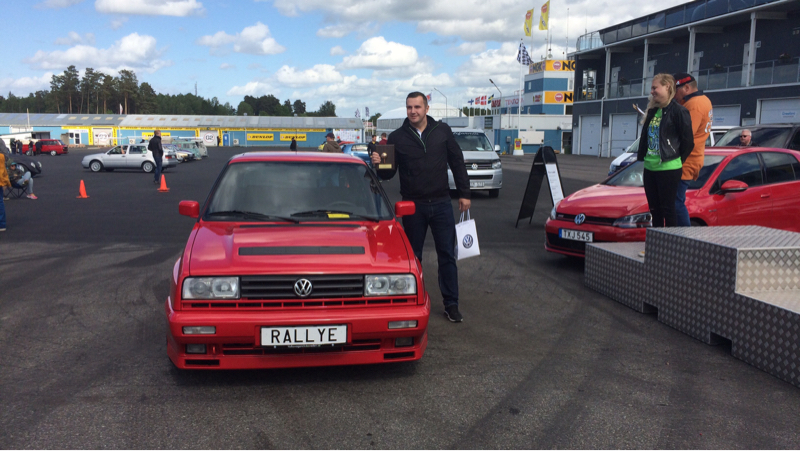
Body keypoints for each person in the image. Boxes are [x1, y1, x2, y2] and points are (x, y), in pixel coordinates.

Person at [371, 91, 471, 323]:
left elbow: (457, 161)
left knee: (447, 255)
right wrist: (379, 164)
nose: (413, 111)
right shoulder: (397, 137)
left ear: (426, 108)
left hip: (441, 203)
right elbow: (388, 174)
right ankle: (410, 301)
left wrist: (464, 193)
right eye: (409, 107)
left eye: (417, 107)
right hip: (413, 206)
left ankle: (451, 304)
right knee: (413, 257)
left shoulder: (442, 131)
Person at [636, 73, 693, 229]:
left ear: (667, 87)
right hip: (650, 168)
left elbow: (688, 142)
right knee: (655, 210)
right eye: (651, 88)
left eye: (655, 88)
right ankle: (657, 241)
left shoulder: (679, 111)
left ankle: (670, 241)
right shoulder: (653, 111)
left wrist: (675, 158)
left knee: (668, 209)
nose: (652, 91)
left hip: (669, 168)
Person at [673, 72, 713, 227]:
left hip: (686, 160)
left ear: (686, 88)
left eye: (675, 91)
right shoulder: (704, 100)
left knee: (676, 202)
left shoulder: (694, 105)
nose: (674, 95)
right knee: (676, 201)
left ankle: (685, 235)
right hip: (692, 158)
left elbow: (684, 135)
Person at [0, 151, 8, 231]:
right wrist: (5, 182)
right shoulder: (1, 156)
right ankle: (2, 224)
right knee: (0, 202)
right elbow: (4, 171)